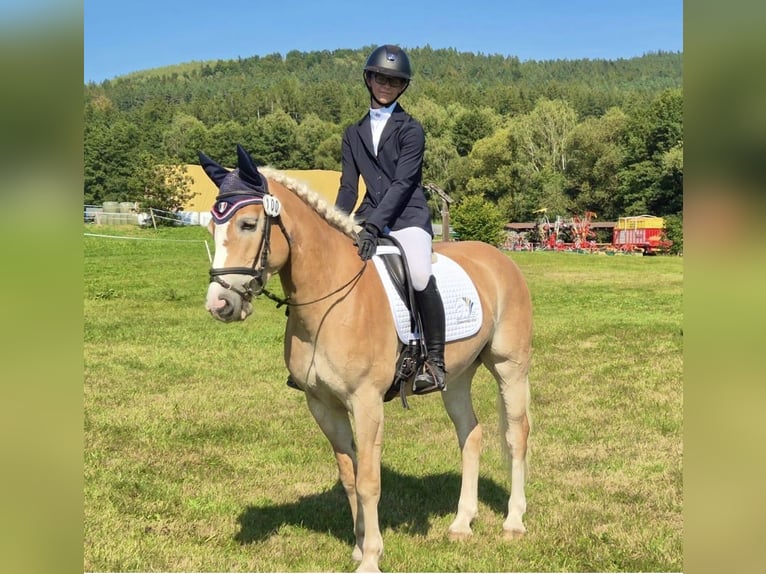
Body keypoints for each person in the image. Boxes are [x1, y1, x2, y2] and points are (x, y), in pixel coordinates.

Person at [334, 44, 446, 394]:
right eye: (380, 77)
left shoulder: (411, 129)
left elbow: (403, 183)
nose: (386, 85)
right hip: (369, 215)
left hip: (408, 216)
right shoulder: (353, 133)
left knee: (418, 272)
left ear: (403, 87)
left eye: (394, 81)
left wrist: (372, 226)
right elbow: (349, 187)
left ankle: (435, 361)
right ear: (368, 79)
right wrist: (335, 223)